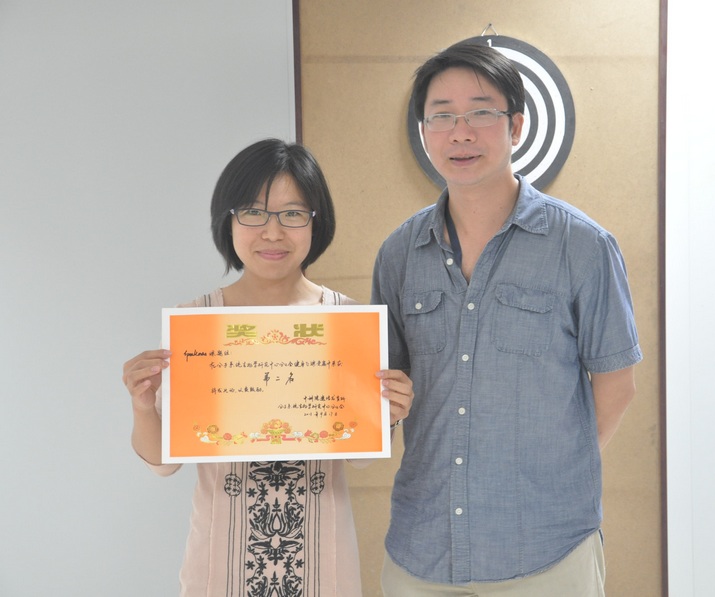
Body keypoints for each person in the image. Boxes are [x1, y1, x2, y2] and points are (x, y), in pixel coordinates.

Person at [371, 42, 642, 596]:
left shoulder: (582, 245)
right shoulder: (399, 253)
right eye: (442, 116)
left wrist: (554, 477)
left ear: (515, 126)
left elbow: (617, 384)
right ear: (424, 131)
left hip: (547, 549)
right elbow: (382, 390)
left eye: (480, 113)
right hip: (423, 550)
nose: (460, 132)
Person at [122, 139, 414, 597]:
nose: (272, 233)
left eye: (292, 214)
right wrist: (143, 405)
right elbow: (163, 463)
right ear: (228, 220)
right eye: (253, 213)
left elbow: (359, 456)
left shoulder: (347, 322)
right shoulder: (196, 322)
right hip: (220, 566)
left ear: (317, 222)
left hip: (322, 564)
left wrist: (390, 413)